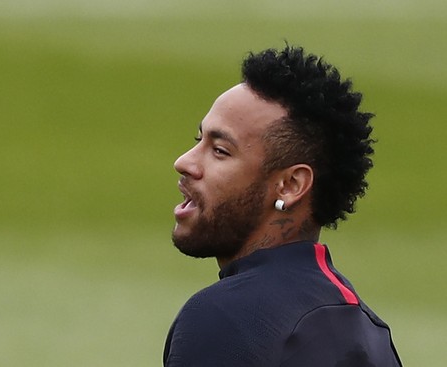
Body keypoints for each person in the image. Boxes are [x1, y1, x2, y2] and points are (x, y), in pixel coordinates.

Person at [164, 45, 402, 367]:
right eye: (198, 141)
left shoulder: (227, 317)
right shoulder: (368, 331)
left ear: (290, 186)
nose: (185, 162)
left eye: (220, 150)